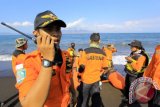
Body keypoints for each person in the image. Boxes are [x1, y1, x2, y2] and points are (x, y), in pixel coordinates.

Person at [11, 10, 76, 107]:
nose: (55, 33)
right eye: (49, 29)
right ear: (36, 33)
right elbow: (29, 104)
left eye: (58, 29)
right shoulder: (27, 61)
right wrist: (47, 61)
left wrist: (74, 94)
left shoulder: (66, 55)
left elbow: (69, 77)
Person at [76, 33, 109, 107]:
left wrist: (79, 75)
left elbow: (82, 66)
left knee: (84, 100)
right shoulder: (103, 53)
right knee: (96, 100)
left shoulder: (86, 51)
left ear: (89, 40)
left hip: (86, 80)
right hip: (96, 79)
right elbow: (106, 68)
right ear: (99, 41)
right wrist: (100, 74)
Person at [120, 40, 149, 106]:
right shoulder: (134, 52)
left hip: (135, 75)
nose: (131, 47)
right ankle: (127, 98)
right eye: (131, 46)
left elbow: (137, 68)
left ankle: (133, 102)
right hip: (129, 73)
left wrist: (130, 61)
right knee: (127, 85)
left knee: (132, 88)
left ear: (137, 47)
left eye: (132, 46)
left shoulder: (142, 56)